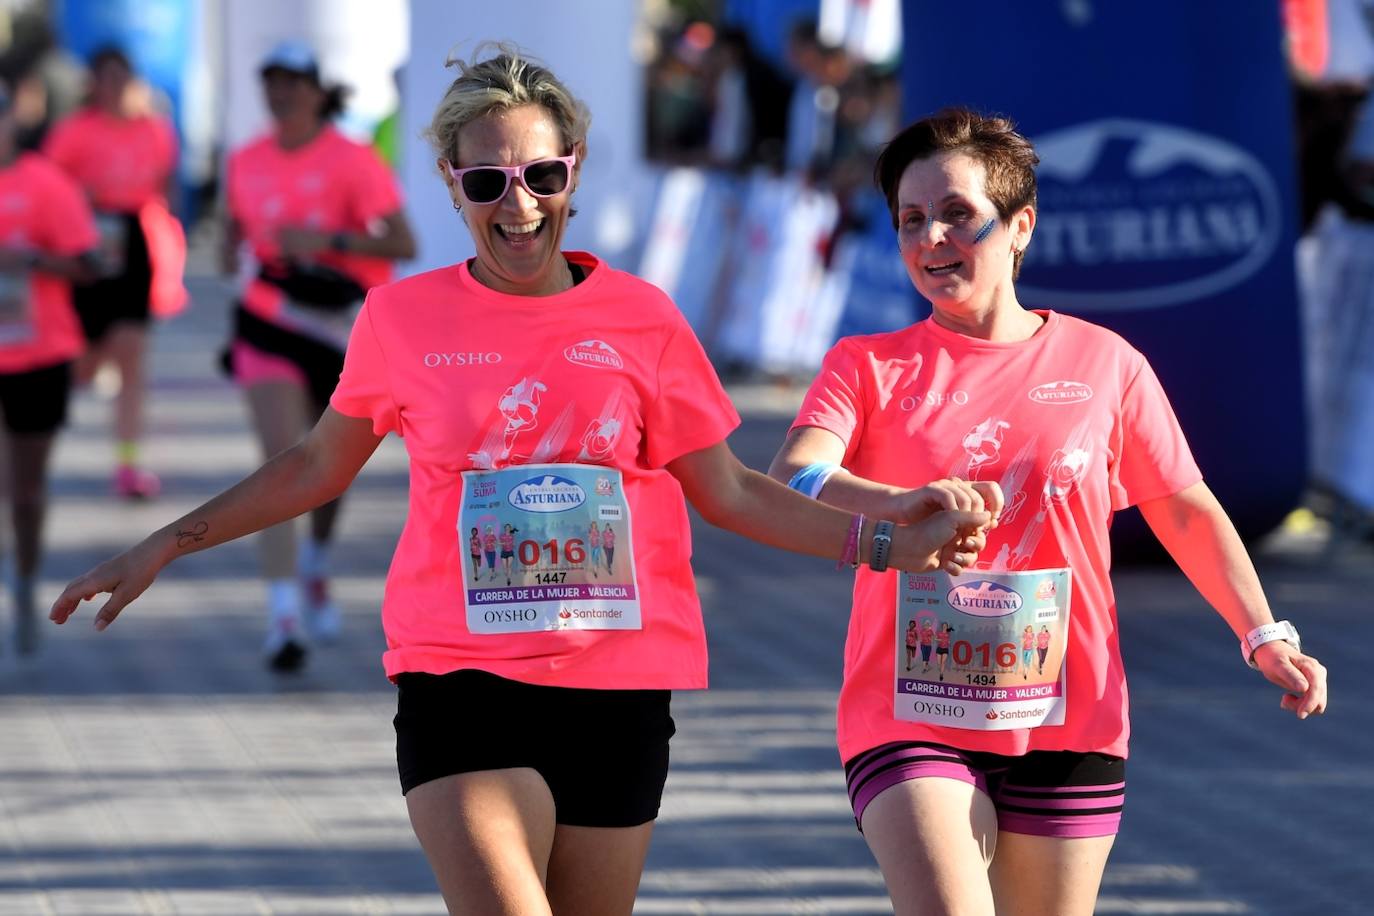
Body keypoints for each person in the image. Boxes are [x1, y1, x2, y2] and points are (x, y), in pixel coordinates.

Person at [49, 46, 993, 916]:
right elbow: (314, 464)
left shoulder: (643, 319)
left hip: (619, 687)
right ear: (453, 185)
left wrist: (883, 542)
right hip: (458, 677)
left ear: (572, 169)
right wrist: (163, 545)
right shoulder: (401, 318)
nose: (519, 204)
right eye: (488, 180)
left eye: (541, 175)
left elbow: (731, 492)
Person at [768, 107, 1329, 916]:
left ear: (1020, 224)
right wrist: (901, 503)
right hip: (906, 712)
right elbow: (796, 478)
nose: (932, 240)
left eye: (958, 215)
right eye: (911, 221)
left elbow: (1183, 509)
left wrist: (1263, 633)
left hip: (1069, 720)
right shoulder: (869, 366)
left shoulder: (1105, 364)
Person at [221, 41, 416, 670]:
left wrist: (326, 240)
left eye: (292, 84)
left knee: (329, 470)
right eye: (271, 83)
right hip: (266, 322)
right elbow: (233, 231)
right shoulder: (246, 159)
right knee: (282, 460)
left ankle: (316, 563)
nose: (281, 95)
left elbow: (404, 241)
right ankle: (283, 618)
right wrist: (232, 253)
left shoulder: (352, 160)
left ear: (315, 90)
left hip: (338, 329)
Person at [42, 45, 186, 499]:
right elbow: (47, 186)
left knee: (132, 354)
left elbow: (164, 188)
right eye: (106, 78)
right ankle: (30, 433)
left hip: (133, 239)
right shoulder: (73, 132)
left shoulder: (156, 130)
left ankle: (128, 464)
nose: (117, 87)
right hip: (87, 240)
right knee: (83, 361)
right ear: (93, 85)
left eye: (123, 77)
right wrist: (78, 200)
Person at [0, 79, 98, 655]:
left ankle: (27, 582)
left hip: (38, 353)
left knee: (26, 490)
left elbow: (90, 265)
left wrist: (32, 258)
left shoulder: (45, 183)